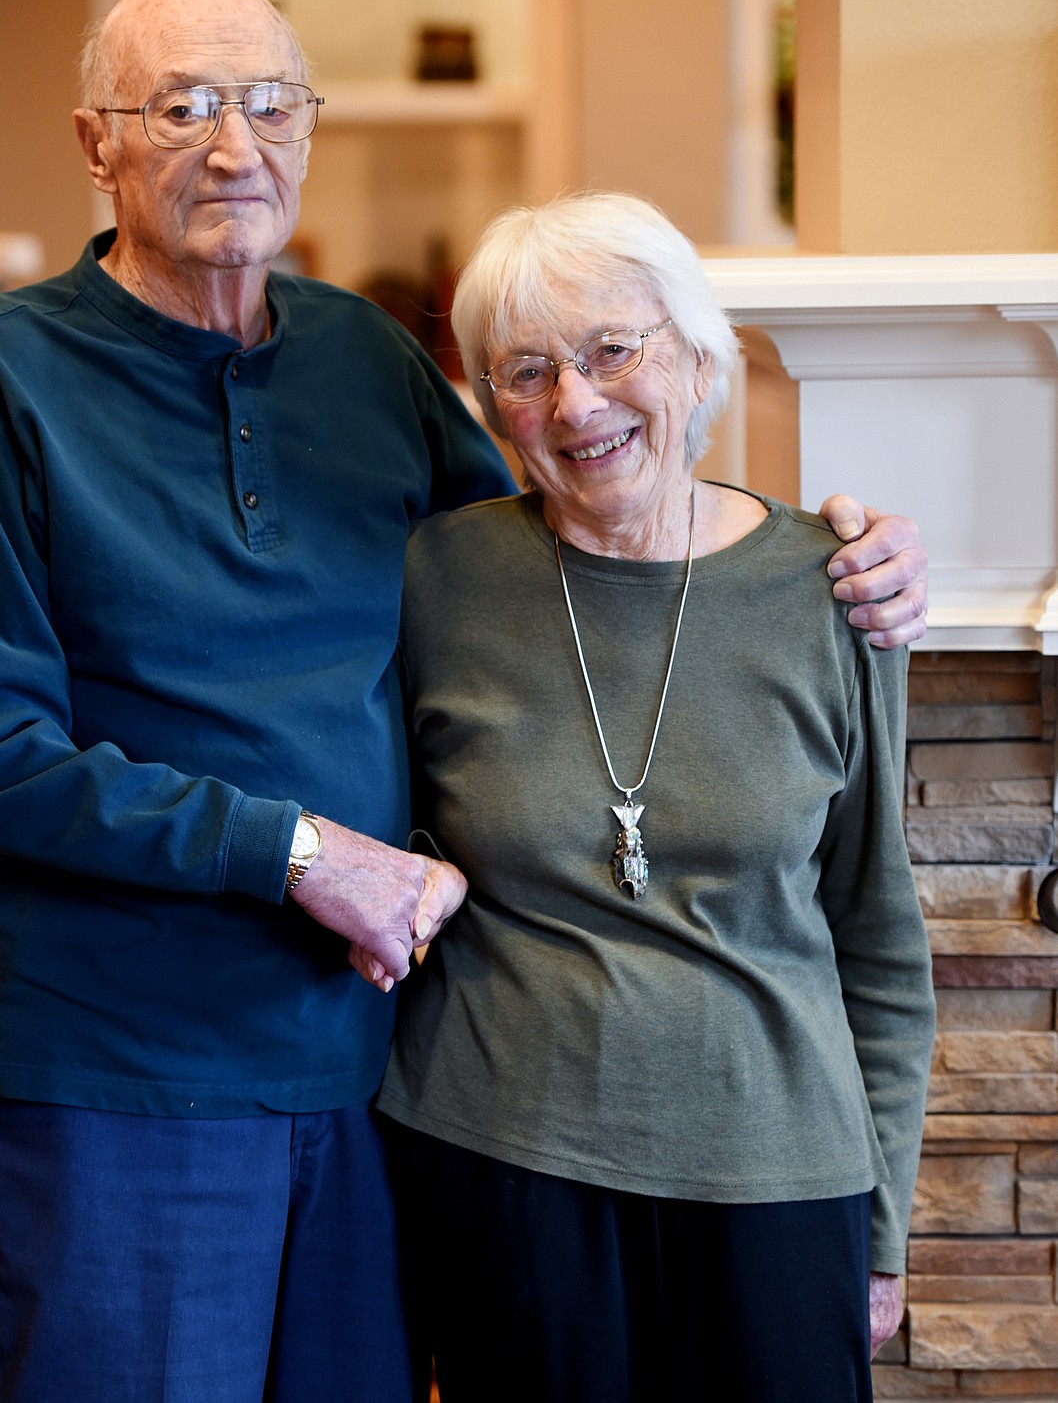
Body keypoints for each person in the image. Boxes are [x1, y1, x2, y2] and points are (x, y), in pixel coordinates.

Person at [0, 0, 925, 1403]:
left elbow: (580, 536)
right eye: (183, 107)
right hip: (122, 1074)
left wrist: (823, 555)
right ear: (97, 143)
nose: (234, 146)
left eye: (268, 105)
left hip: (373, 1069)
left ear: (308, 131)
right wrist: (300, 850)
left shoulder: (365, 365)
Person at [374, 191, 937, 1403]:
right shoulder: (439, 576)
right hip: (502, 1163)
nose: (575, 403)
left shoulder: (836, 591)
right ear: (489, 404)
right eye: (525, 371)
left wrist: (882, 1226)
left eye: (612, 350)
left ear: (695, 351)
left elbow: (880, 939)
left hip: (784, 1174)